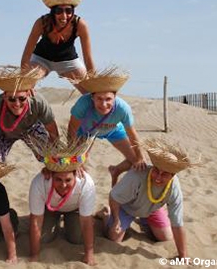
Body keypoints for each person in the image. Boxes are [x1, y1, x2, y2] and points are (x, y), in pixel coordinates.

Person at [97, 138, 201, 260]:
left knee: (166, 237)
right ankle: (106, 214)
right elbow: (114, 197)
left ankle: (144, 221)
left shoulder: (174, 188)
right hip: (127, 207)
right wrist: (115, 219)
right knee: (114, 237)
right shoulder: (137, 176)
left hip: (152, 208)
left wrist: (183, 256)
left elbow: (177, 224)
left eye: (164, 174)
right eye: (156, 171)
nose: (158, 177)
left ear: (173, 176)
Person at [68, 67, 146, 185]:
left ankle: (116, 170)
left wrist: (140, 157)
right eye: (99, 99)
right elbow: (72, 128)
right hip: (86, 131)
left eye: (108, 99)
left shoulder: (122, 108)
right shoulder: (83, 103)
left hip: (113, 130)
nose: (104, 104)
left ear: (115, 97)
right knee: (78, 166)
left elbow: (132, 133)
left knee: (137, 162)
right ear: (92, 97)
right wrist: (74, 157)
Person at [21, 0, 95, 93]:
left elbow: (88, 58)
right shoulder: (42, 23)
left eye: (68, 11)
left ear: (73, 11)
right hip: (41, 59)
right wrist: (23, 81)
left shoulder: (80, 25)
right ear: (53, 12)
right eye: (59, 11)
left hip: (68, 61)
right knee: (25, 89)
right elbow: (27, 55)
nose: (64, 16)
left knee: (91, 93)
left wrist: (94, 83)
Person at [28, 136, 96, 265]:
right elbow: (35, 220)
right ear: (51, 175)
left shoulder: (86, 183)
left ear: (75, 175)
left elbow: (86, 221)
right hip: (50, 209)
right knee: (44, 238)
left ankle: (102, 215)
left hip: (75, 209)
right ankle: (55, 220)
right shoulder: (39, 182)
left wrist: (89, 254)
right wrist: (34, 255)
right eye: (58, 179)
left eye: (68, 180)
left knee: (76, 238)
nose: (63, 185)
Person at [0, 65, 59, 161]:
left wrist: (54, 161)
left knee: (48, 156)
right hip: (2, 132)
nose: (17, 104)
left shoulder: (38, 102)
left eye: (22, 98)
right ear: (4, 96)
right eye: (12, 99)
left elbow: (53, 133)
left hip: (31, 128)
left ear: (28, 94)